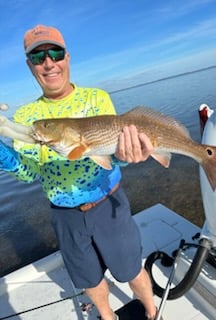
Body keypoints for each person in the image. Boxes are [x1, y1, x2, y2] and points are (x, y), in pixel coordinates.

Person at [0, 25, 158, 320]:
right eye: (38, 56)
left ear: (67, 57)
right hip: (64, 214)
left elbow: (112, 155)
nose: (49, 62)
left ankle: (152, 310)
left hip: (107, 205)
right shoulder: (25, 118)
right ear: (29, 65)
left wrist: (126, 158)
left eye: (55, 53)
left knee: (131, 268)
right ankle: (107, 316)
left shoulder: (96, 99)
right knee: (89, 278)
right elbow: (27, 172)